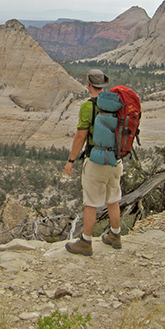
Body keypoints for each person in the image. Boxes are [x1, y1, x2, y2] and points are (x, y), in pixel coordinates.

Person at [63, 69, 123, 256]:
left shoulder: (88, 107)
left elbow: (81, 136)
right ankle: (115, 235)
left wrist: (71, 160)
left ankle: (85, 242)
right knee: (113, 198)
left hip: (96, 161)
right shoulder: (116, 104)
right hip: (116, 160)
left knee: (91, 202)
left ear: (88, 85)